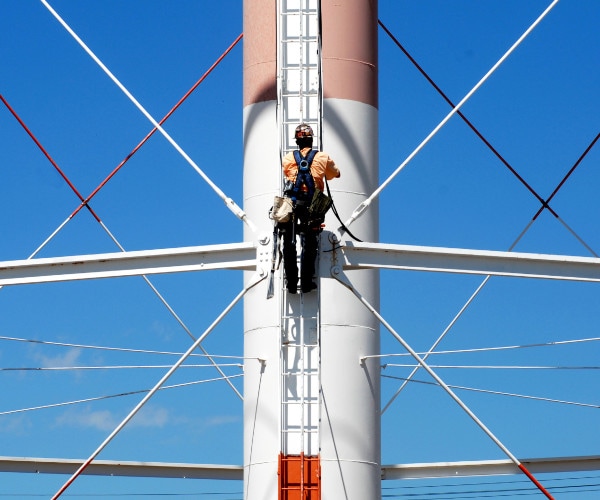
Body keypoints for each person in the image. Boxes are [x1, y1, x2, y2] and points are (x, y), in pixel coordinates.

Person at [279, 123, 340, 294]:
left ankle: (291, 283)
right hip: (312, 205)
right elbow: (335, 174)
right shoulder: (322, 157)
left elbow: (288, 175)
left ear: (297, 142)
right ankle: (306, 283)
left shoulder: (288, 159)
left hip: (293, 203)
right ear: (311, 140)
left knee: (288, 242)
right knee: (309, 243)